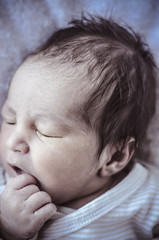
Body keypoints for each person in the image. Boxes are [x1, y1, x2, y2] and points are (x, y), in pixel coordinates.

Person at [0, 15, 159, 240]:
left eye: (44, 131)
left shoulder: (145, 195)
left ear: (115, 156)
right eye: (9, 119)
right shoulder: (3, 195)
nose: (12, 142)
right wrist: (7, 228)